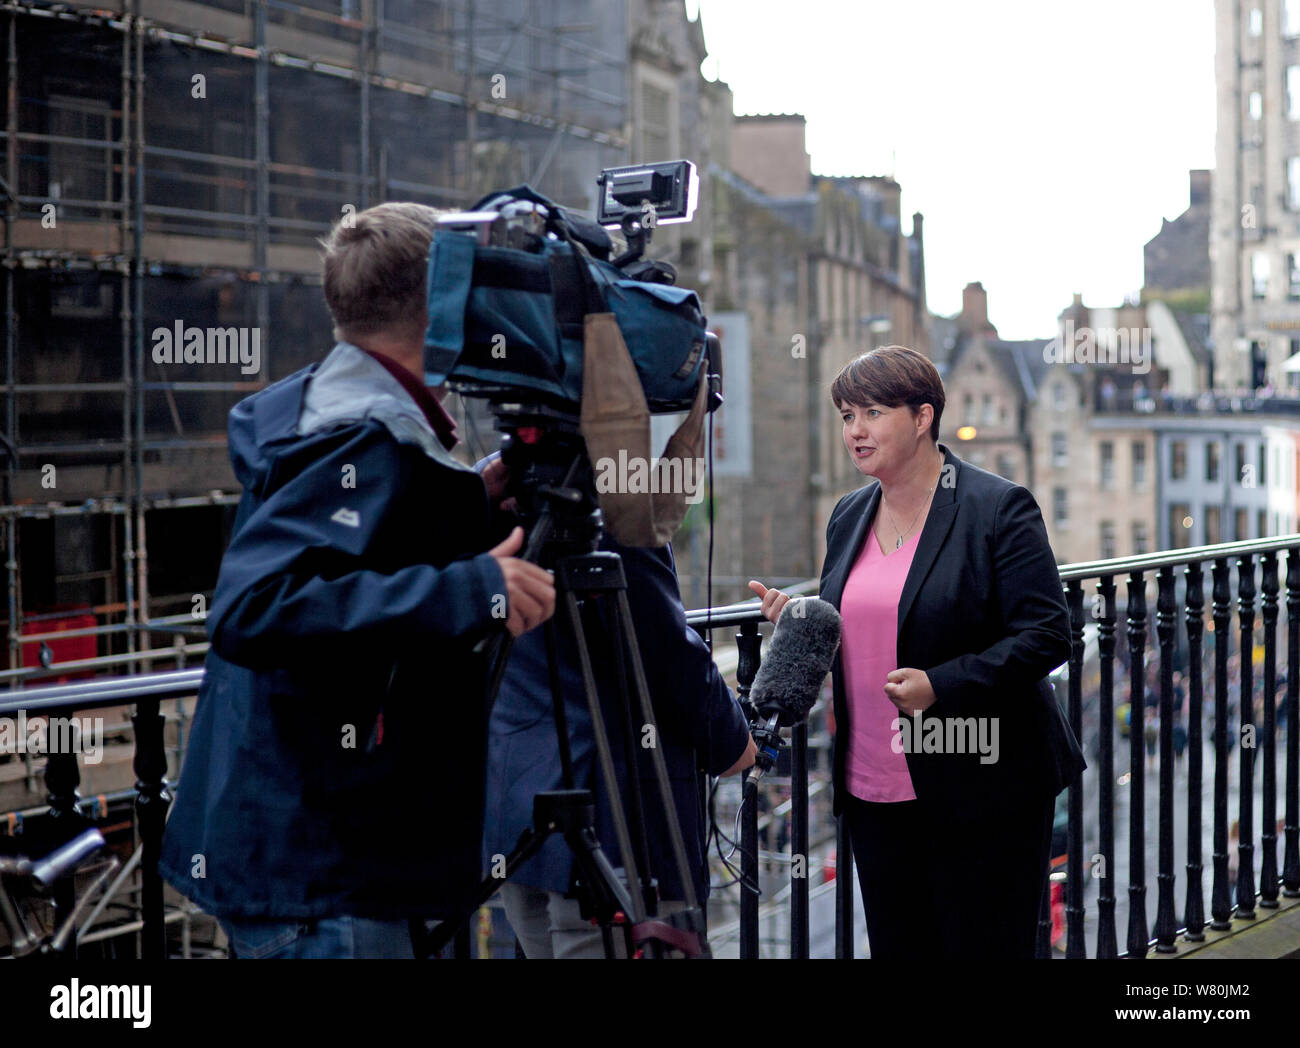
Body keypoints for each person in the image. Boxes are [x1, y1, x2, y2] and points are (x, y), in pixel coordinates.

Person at [158, 202, 556, 958]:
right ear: (441, 308)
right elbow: (254, 606)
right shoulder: (356, 435)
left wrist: (469, 498)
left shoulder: (339, 408)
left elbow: (360, 544)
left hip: (323, 860)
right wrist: (475, 588)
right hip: (327, 876)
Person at [749, 345, 1084, 960]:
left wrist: (942, 684)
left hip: (980, 782)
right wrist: (799, 619)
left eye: (872, 413)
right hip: (873, 786)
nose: (855, 431)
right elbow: (868, 623)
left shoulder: (996, 507)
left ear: (923, 416)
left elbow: (1046, 634)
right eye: (847, 416)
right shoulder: (848, 515)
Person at [482, 518, 756, 958]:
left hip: (520, 820)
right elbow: (662, 650)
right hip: (614, 831)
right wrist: (732, 742)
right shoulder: (617, 507)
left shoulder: (498, 486)